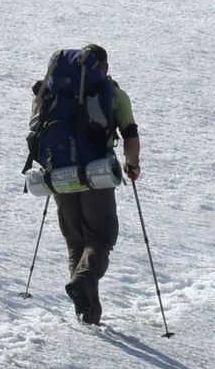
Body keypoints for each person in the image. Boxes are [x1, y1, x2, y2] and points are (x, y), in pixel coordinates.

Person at [27, 43, 139, 324]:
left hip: (59, 176)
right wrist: (132, 164)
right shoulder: (113, 93)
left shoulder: (51, 94)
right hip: (95, 175)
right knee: (100, 238)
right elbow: (130, 134)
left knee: (76, 241)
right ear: (105, 67)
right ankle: (83, 282)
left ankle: (88, 309)